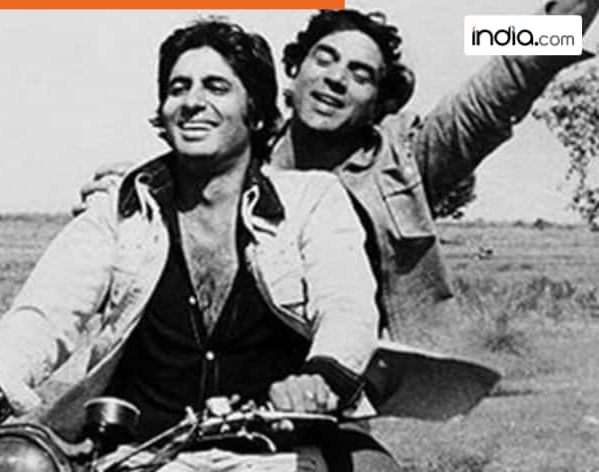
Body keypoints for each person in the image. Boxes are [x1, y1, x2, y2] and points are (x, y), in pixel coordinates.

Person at [0, 19, 398, 472]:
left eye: (216, 87)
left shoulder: (312, 200)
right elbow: (44, 314)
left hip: (277, 456)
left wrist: (320, 376)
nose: (192, 102)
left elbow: (347, 306)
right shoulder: (121, 208)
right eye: (178, 88)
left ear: (255, 110)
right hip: (141, 456)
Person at [80, 0, 599, 351]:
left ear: (379, 101)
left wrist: (568, 16)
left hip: (346, 385)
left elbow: (511, 76)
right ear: (294, 70)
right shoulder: (234, 156)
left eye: (360, 74)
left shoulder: (406, 163)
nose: (335, 79)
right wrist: (121, 195)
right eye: (324, 59)